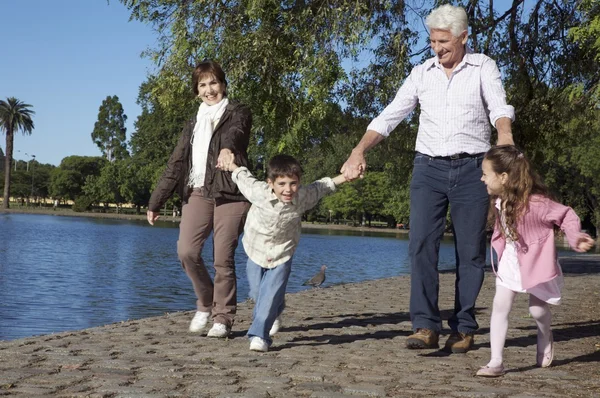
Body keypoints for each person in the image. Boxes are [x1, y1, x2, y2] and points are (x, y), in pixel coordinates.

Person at [341, 4, 515, 353]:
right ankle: (425, 326)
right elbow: (391, 114)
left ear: (464, 37)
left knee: (470, 252)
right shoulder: (421, 73)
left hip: (471, 171)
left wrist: (505, 138)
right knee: (420, 245)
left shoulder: (483, 67)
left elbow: (499, 106)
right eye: (433, 41)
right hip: (428, 170)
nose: (436, 48)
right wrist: (358, 150)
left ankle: (464, 327)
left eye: (444, 42)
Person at [147, 60, 252, 338]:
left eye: (214, 83)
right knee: (187, 251)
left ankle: (223, 318)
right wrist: (156, 200)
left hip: (231, 192)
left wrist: (228, 149)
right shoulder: (193, 122)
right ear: (196, 90)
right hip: (198, 190)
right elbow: (177, 162)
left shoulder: (237, 112)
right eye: (203, 85)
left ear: (223, 85)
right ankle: (205, 303)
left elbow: (236, 132)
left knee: (222, 258)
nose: (209, 90)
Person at [476, 145, 594, 377]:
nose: (482, 178)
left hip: (536, 262)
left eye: (485, 173)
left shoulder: (538, 204)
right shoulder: (499, 199)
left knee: (537, 309)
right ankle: (496, 361)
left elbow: (567, 215)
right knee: (500, 305)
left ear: (503, 177)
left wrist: (575, 237)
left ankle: (544, 333)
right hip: (511, 260)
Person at [219, 154, 347, 352]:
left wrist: (345, 177)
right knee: (257, 293)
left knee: (269, 296)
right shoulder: (259, 191)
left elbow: (322, 186)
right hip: (256, 250)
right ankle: (276, 309)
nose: (288, 189)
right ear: (270, 183)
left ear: (299, 183)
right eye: (282, 184)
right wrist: (231, 165)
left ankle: (259, 336)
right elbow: (243, 176)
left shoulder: (302, 196)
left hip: (282, 253)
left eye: (293, 183)